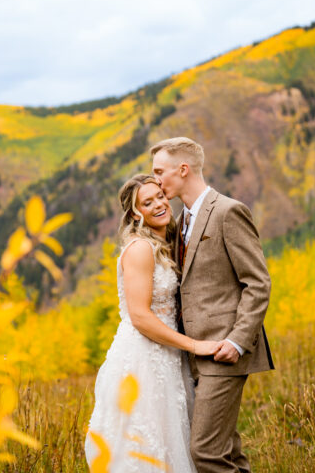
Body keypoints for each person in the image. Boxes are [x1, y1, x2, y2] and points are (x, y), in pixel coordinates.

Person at [151, 137, 274, 473]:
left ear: (183, 169)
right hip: (194, 354)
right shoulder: (180, 221)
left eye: (159, 172)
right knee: (227, 451)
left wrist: (237, 341)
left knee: (205, 451)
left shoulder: (227, 211)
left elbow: (258, 282)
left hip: (223, 349)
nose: (156, 180)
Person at [84, 174, 222, 472]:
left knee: (171, 445)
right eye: (148, 202)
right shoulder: (140, 249)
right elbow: (141, 317)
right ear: (136, 213)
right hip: (143, 359)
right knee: (145, 447)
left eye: (160, 196)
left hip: (166, 357)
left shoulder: (162, 243)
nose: (159, 204)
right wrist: (195, 346)